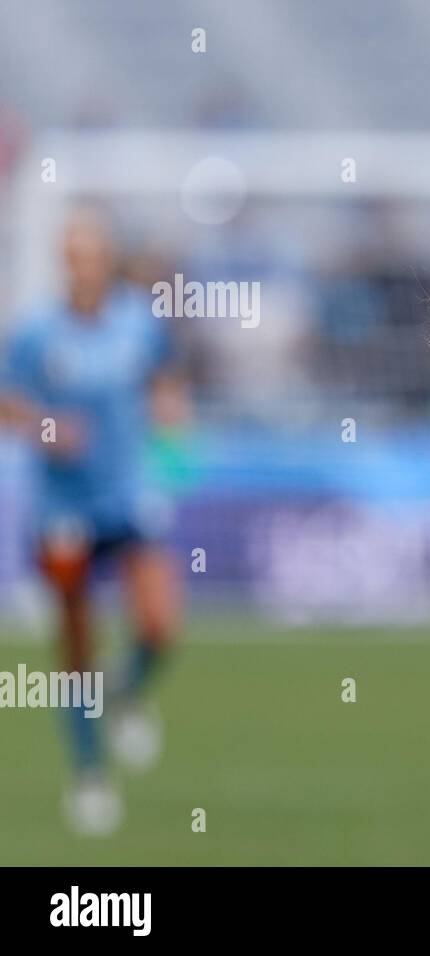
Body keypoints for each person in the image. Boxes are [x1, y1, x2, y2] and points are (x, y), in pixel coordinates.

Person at [0, 206, 186, 836]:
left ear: (107, 259)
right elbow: (8, 405)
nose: (84, 265)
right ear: (64, 262)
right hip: (63, 510)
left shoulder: (137, 321)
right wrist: (49, 429)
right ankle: (89, 775)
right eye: (73, 254)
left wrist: (168, 408)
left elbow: (165, 374)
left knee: (160, 625)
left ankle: (126, 692)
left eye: (93, 253)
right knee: (76, 645)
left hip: (127, 495)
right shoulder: (35, 334)